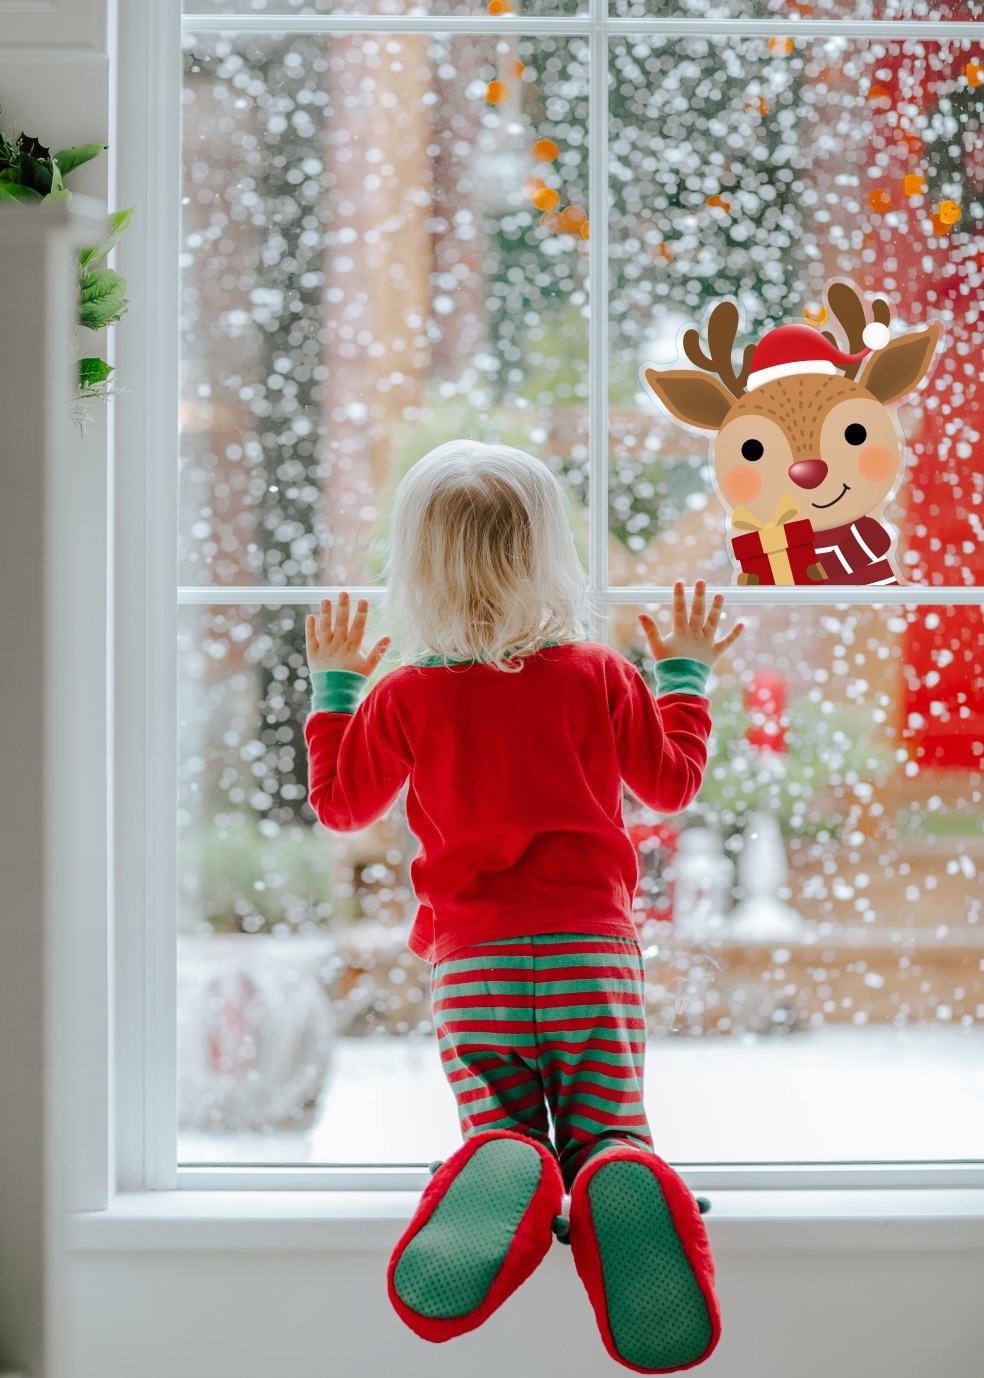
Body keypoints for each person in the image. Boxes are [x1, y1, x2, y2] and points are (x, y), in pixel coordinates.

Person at [304, 440, 743, 1373]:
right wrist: (686, 679)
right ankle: (616, 1169)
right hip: (590, 951)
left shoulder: (406, 696)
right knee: (608, 1123)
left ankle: (503, 1161)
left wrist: (336, 686)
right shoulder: (596, 674)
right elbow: (670, 786)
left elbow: (341, 804)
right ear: (552, 554)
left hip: (474, 963)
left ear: (415, 568)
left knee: (500, 1125)